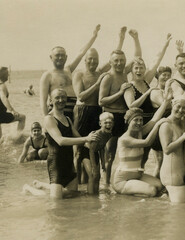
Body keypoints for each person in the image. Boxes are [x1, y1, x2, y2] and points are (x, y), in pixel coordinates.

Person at [72, 26, 129, 184]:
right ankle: (77, 183)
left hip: (98, 112)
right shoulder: (79, 74)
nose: (92, 61)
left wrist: (121, 38)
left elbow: (115, 59)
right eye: (89, 59)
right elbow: (81, 96)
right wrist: (97, 84)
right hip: (83, 112)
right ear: (85, 60)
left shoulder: (100, 71)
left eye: (95, 59)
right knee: (78, 151)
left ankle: (92, 181)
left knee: (95, 149)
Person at [28, 89, 96, 199]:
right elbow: (60, 140)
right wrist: (86, 139)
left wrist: (91, 143)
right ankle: (29, 188)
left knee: (72, 195)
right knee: (55, 201)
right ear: (51, 100)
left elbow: (78, 138)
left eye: (64, 97)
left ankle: (42, 185)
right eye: (57, 98)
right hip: (56, 164)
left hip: (69, 163)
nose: (61, 100)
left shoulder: (68, 119)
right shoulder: (49, 119)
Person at [124, 33, 172, 168]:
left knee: (158, 157)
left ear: (145, 69)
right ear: (132, 70)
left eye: (141, 68)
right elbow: (131, 106)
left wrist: (165, 45)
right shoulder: (129, 86)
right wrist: (148, 93)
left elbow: (156, 59)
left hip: (152, 121)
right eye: (136, 68)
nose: (139, 70)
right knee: (140, 157)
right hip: (139, 124)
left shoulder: (146, 81)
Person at [113, 90, 170, 197]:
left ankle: (137, 194)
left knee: (160, 186)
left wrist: (166, 102)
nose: (139, 123)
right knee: (152, 191)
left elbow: (155, 118)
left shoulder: (139, 132)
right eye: (136, 120)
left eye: (141, 120)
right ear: (128, 121)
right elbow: (147, 142)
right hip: (122, 181)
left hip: (137, 176)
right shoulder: (125, 139)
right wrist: (158, 125)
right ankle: (132, 200)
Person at [40, 25, 101, 120]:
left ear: (66, 57)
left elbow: (81, 53)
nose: (60, 57)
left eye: (62, 55)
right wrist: (46, 120)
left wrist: (94, 37)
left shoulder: (68, 69)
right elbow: (43, 101)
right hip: (58, 111)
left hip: (76, 110)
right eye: (57, 55)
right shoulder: (47, 75)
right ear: (51, 57)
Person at [98, 50, 132, 184]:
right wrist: (120, 92)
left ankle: (122, 181)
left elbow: (137, 56)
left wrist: (135, 39)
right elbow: (101, 101)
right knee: (109, 155)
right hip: (111, 118)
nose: (119, 63)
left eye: (122, 60)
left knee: (126, 153)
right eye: (116, 60)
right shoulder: (108, 77)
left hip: (124, 117)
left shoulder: (124, 74)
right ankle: (106, 184)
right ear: (110, 62)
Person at [159, 97, 185, 203]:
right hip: (171, 175)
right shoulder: (166, 125)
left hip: (178, 174)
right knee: (179, 212)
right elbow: (166, 149)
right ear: (172, 104)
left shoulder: (181, 122)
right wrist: (183, 137)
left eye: (184, 108)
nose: (181, 110)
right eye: (178, 106)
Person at [80, 112, 114, 194]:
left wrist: (103, 162)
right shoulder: (97, 134)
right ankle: (90, 196)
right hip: (86, 152)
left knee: (97, 176)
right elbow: (91, 150)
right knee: (92, 175)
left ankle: (95, 194)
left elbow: (101, 148)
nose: (108, 125)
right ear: (100, 123)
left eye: (110, 122)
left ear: (113, 123)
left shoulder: (109, 134)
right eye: (105, 123)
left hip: (95, 153)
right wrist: (94, 166)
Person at [150, 66, 172, 177]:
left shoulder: (167, 91)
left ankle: (162, 186)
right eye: (164, 75)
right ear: (157, 76)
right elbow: (166, 103)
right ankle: (157, 185)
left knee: (167, 161)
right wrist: (168, 86)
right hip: (158, 130)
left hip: (167, 129)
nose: (167, 77)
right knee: (159, 162)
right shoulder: (155, 91)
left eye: (169, 75)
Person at [0, 66, 26, 141]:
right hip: (1, 115)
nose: (8, 75)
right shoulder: (2, 86)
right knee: (22, 117)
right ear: (3, 75)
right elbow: (3, 97)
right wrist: (12, 110)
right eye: (7, 74)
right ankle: (17, 140)